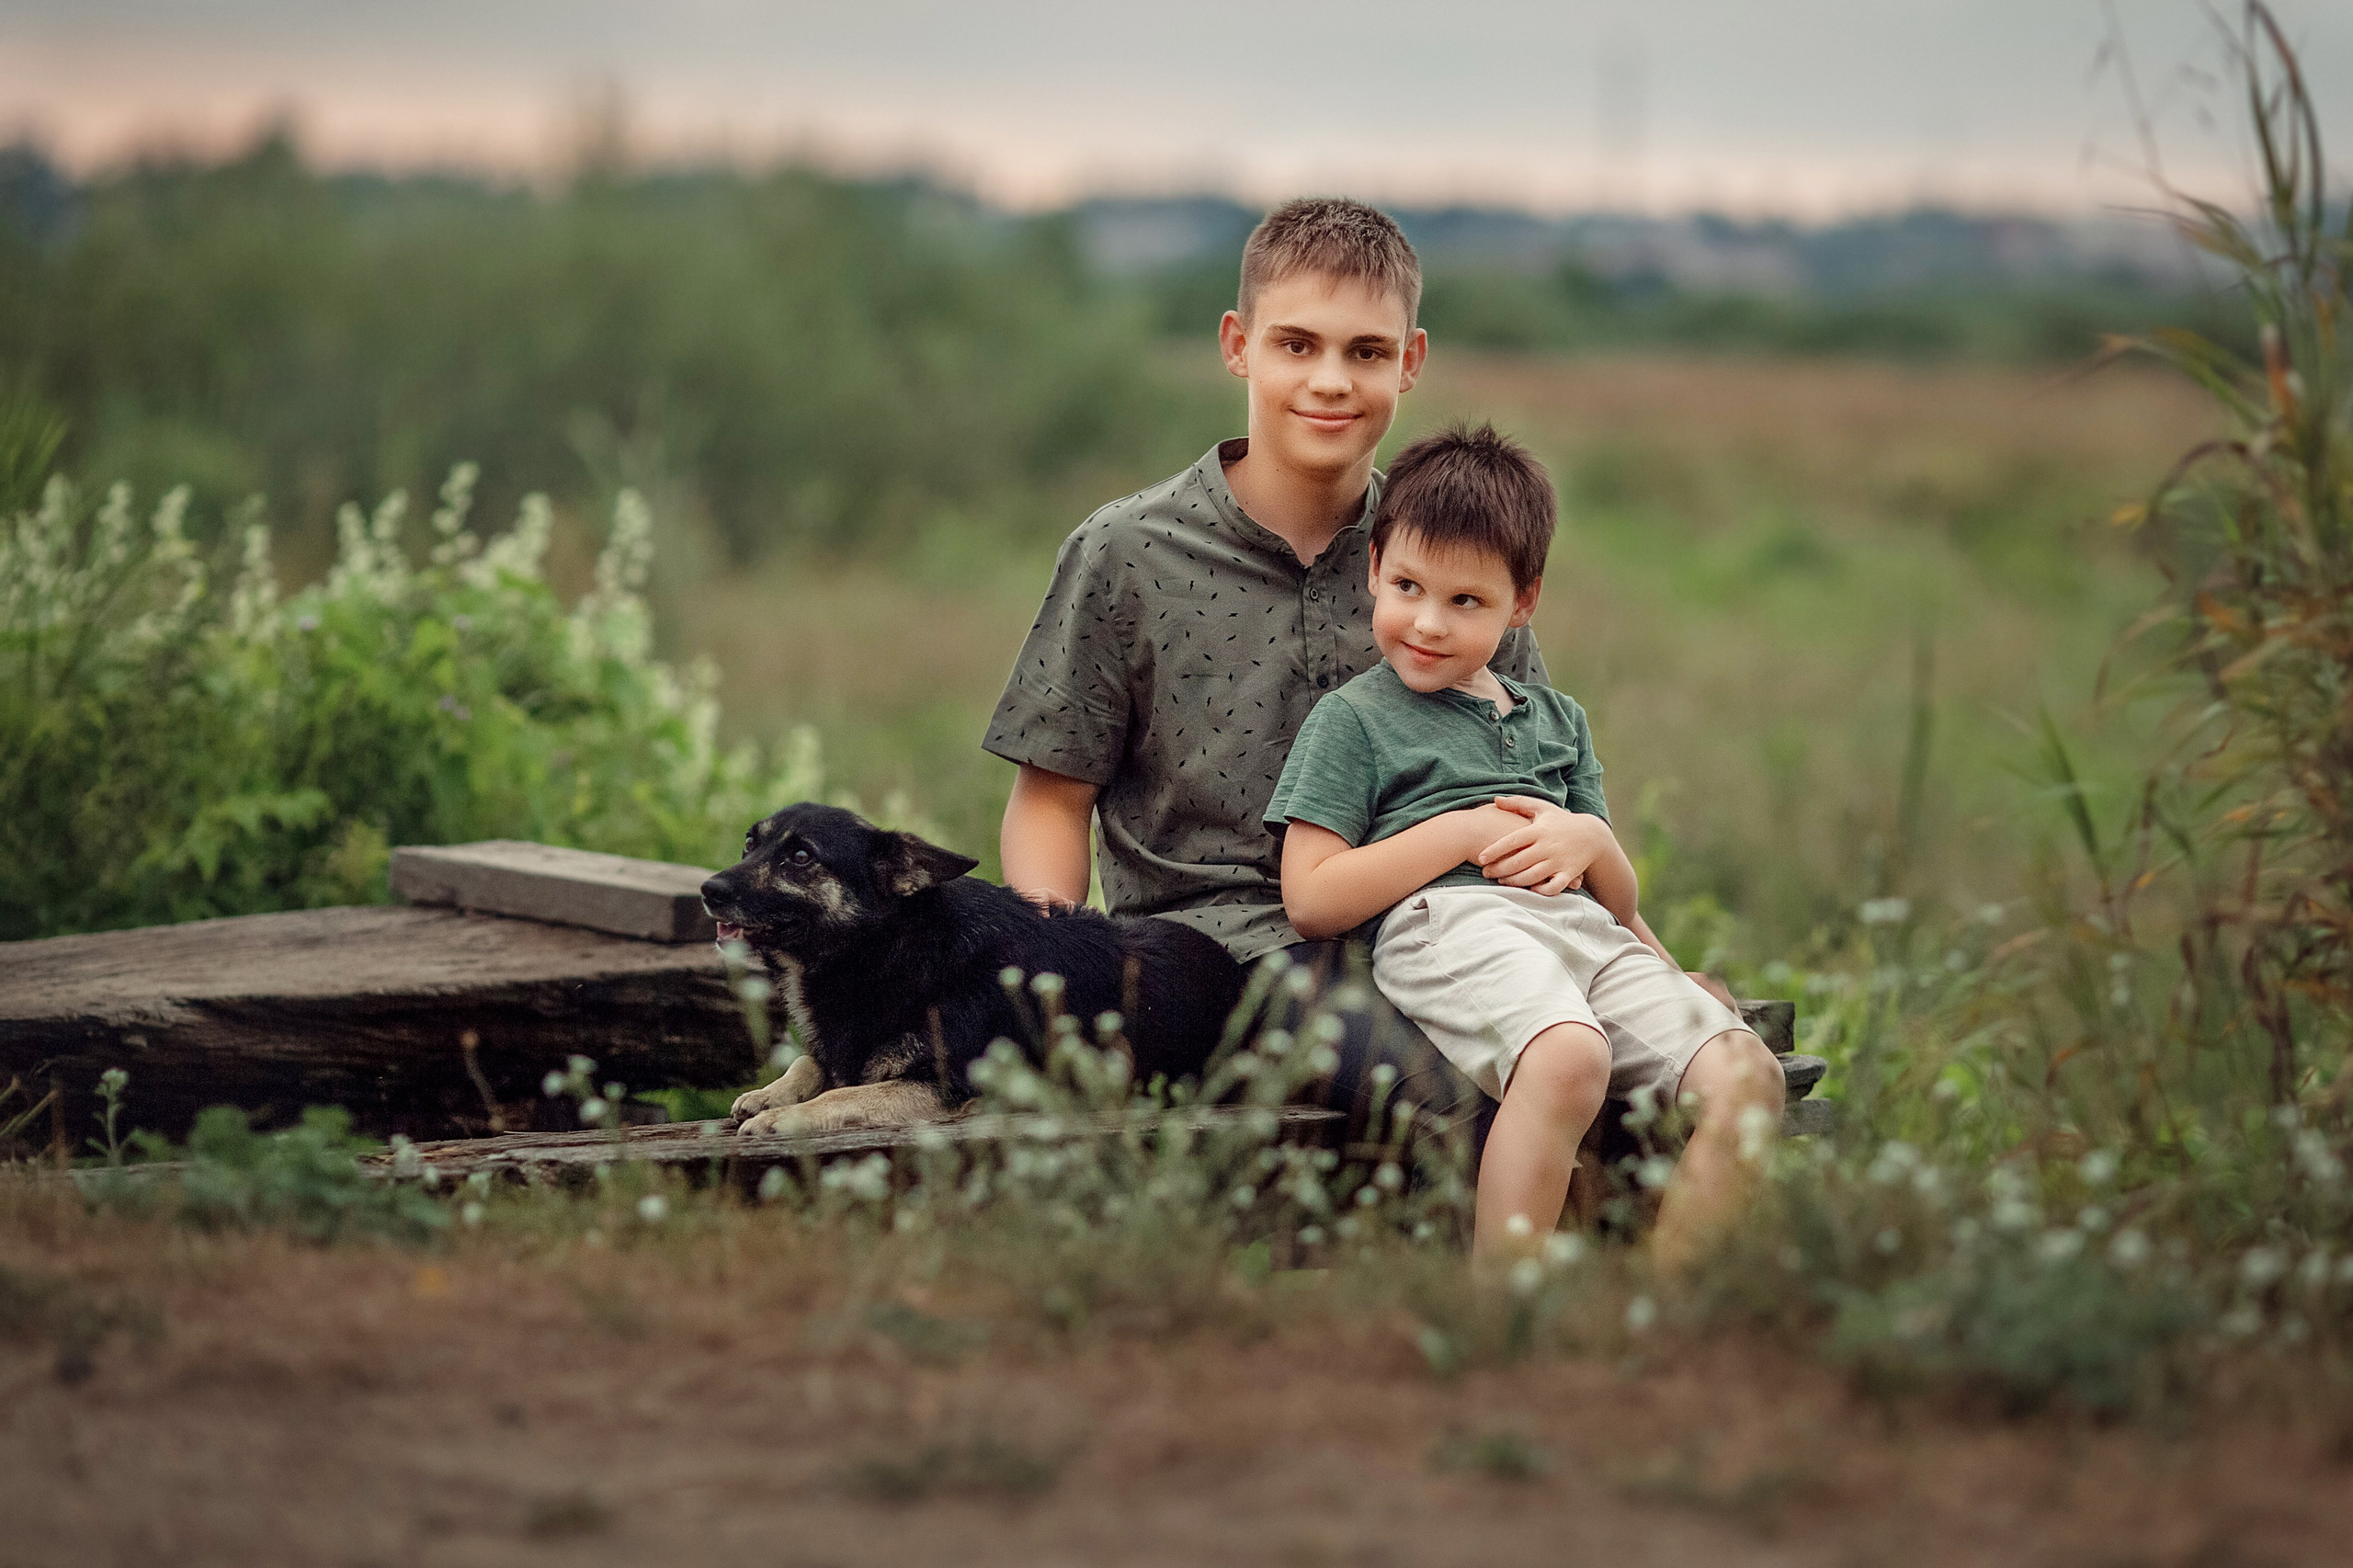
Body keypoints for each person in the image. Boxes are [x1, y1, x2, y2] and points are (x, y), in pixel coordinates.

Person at [986, 196, 1520, 1145]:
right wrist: (1049, 971)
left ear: (1411, 361)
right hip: (1213, 958)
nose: (1330, 380)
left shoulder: (1450, 559)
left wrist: (1626, 955)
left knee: (1621, 1063)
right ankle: (1503, 1293)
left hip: (1435, 931)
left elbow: (1526, 777)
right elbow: (1051, 796)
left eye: (1364, 352)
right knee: (1465, 1098)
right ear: (1238, 344)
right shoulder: (1126, 552)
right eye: (1296, 345)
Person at [1265, 423, 1784, 1271]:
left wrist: (1629, 903)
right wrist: (1462, 832)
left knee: (1747, 1077)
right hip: (1453, 923)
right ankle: (1503, 1314)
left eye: (1466, 602)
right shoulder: (1352, 720)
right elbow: (1311, 897)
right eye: (1407, 586)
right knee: (1569, 1058)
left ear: (1523, 603)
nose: (1427, 623)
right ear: (1373, 573)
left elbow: (1606, 895)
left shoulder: (1558, 719)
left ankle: (1673, 1305)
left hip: (1586, 938)